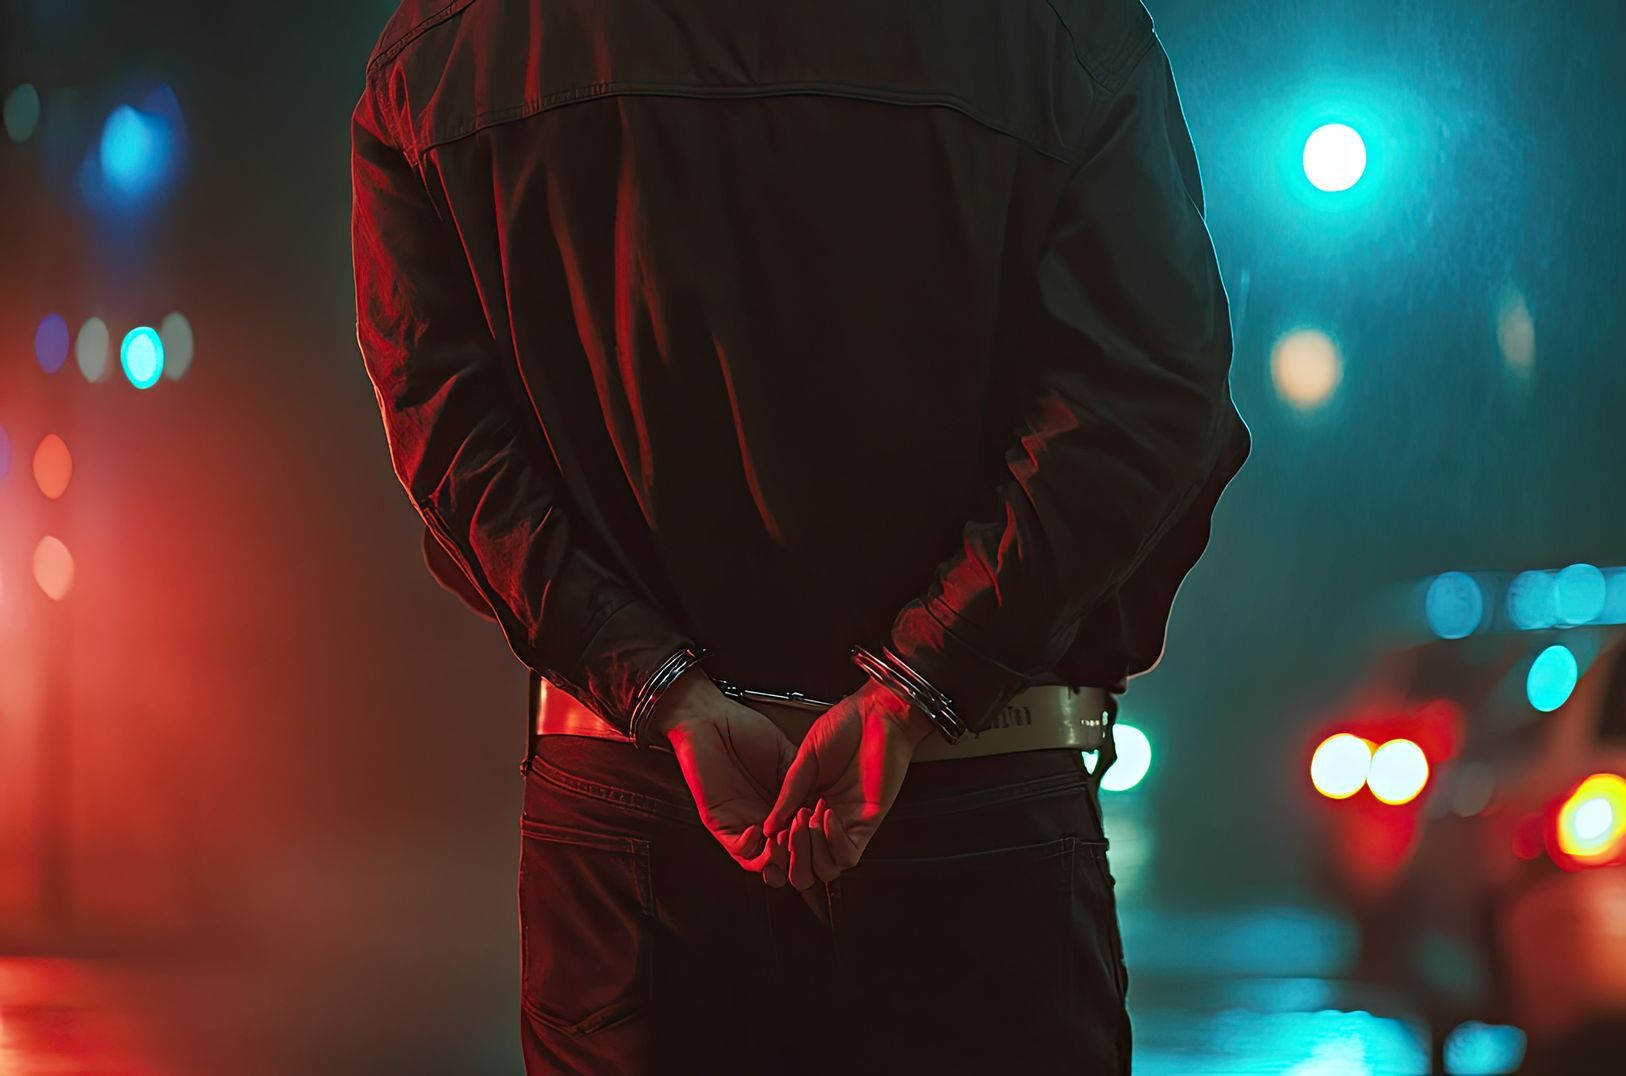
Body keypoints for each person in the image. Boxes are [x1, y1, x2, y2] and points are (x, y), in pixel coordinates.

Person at [350, 0, 1248, 1070]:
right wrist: (919, 681)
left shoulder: (451, 44)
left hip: (634, 803)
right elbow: (1147, 394)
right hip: (977, 789)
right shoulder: (1056, 30)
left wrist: (658, 682)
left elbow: (449, 436)